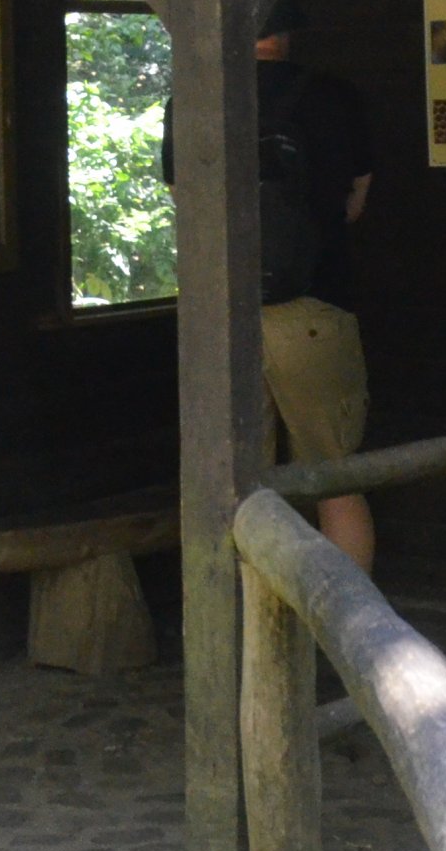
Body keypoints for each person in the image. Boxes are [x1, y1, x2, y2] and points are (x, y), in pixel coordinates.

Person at [163, 30, 381, 565]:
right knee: (337, 479)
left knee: (237, 488)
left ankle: (247, 639)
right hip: (313, 307)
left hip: (223, 316)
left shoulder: (192, 96)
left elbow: (182, 204)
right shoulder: (333, 96)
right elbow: (355, 204)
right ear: (288, 33)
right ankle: (347, 636)